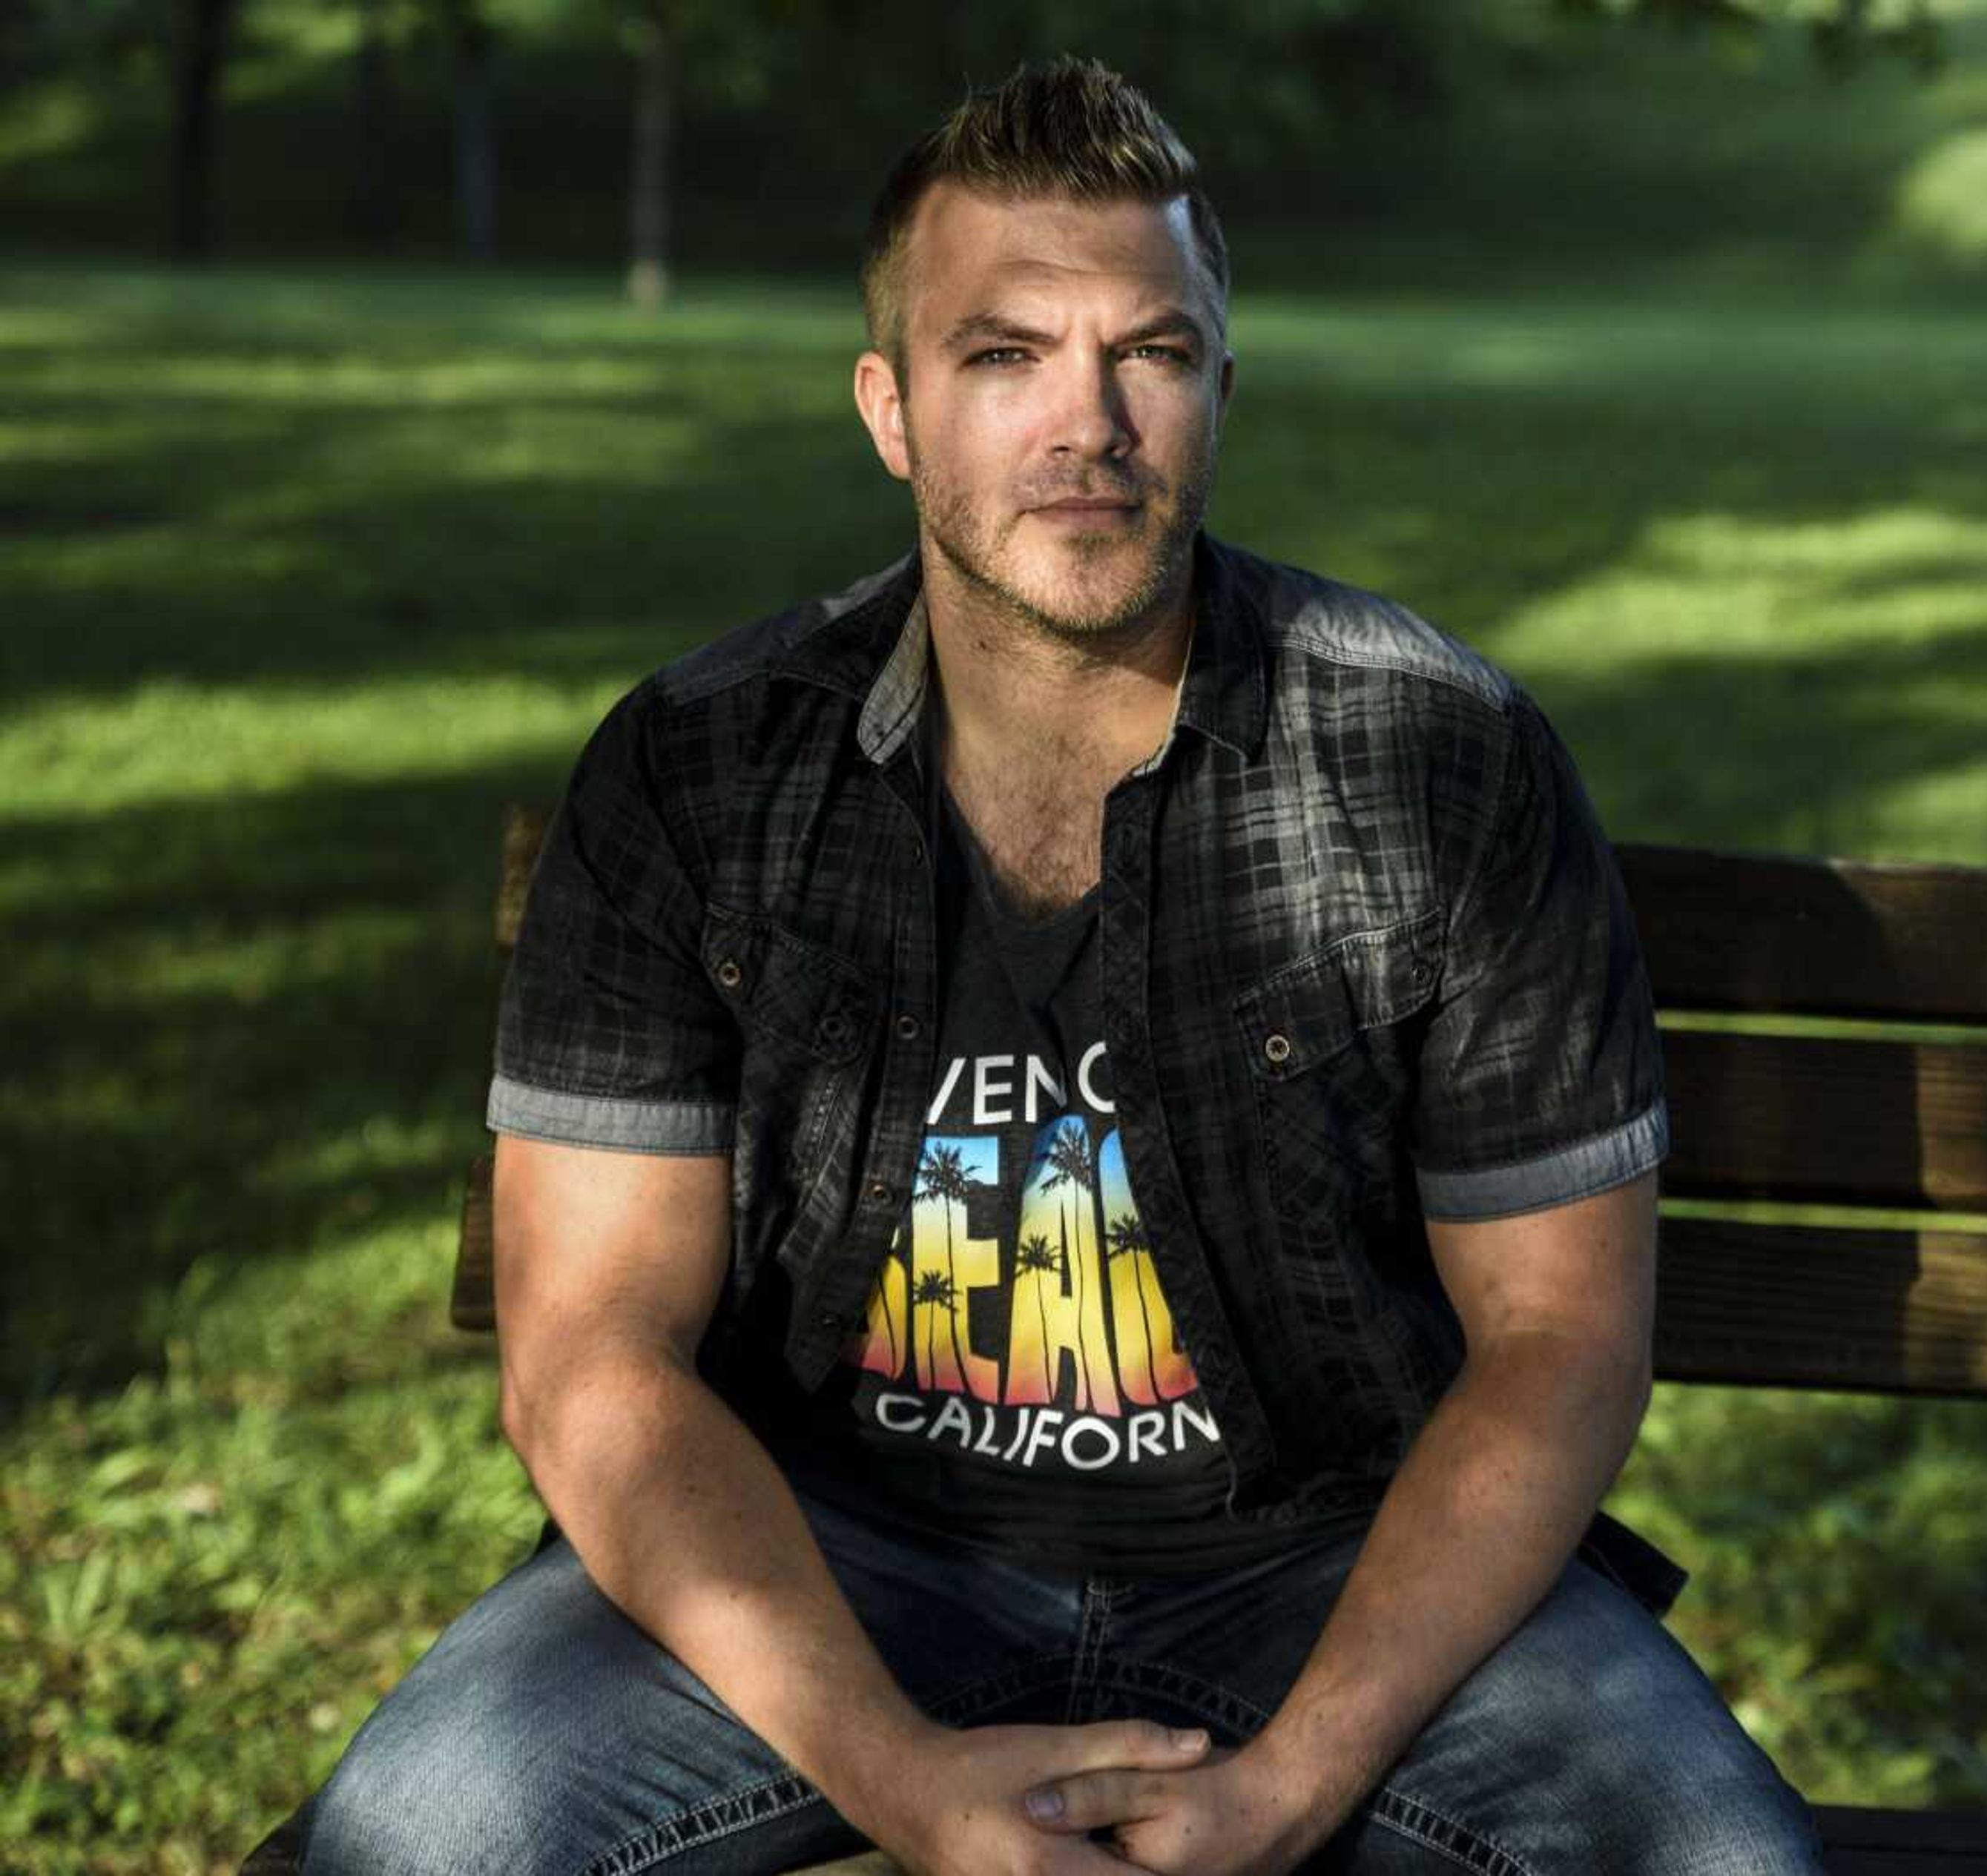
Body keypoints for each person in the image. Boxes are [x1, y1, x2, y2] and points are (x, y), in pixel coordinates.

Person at [301, 55, 1825, 1876]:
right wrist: (906, 1780)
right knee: (418, 1834)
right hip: (837, 1542)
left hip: (1330, 1554)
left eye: (1152, 354)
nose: (1086, 422)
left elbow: (1562, 1338)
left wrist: (1288, 1784)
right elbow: (590, 1354)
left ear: (1221, 392)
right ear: (890, 406)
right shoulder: (701, 772)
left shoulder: (1440, 759)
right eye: (1004, 353)